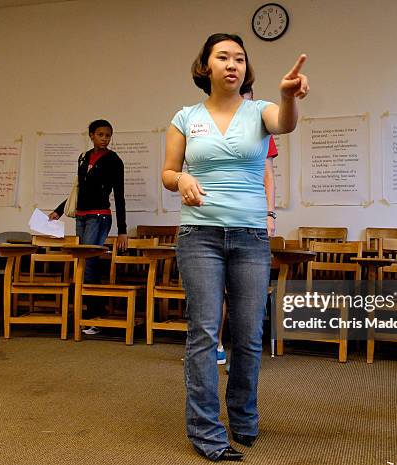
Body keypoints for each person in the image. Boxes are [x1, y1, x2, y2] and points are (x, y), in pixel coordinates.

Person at [162, 33, 308, 461]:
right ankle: (206, 432)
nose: (232, 64)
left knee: (247, 334)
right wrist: (183, 179)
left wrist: (288, 96)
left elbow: (286, 122)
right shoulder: (185, 117)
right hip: (199, 236)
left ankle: (243, 419)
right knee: (204, 334)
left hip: (249, 237)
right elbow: (168, 172)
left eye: (240, 59)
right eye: (223, 57)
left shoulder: (260, 111)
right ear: (205, 66)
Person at [218, 88, 278, 366]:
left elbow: (268, 174)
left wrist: (269, 214)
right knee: (215, 293)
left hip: (250, 222)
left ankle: (238, 356)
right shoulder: (209, 123)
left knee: (244, 296)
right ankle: (215, 346)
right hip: (213, 221)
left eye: (249, 98)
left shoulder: (263, 127)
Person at [49, 119, 128, 334]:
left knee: (90, 263)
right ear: (91, 135)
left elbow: (119, 195)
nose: (104, 138)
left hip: (99, 217)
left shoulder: (114, 160)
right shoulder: (83, 158)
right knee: (82, 264)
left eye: (108, 135)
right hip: (81, 217)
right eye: (100, 134)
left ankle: (96, 316)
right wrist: (58, 210)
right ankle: (89, 313)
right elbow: (78, 190)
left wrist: (122, 230)